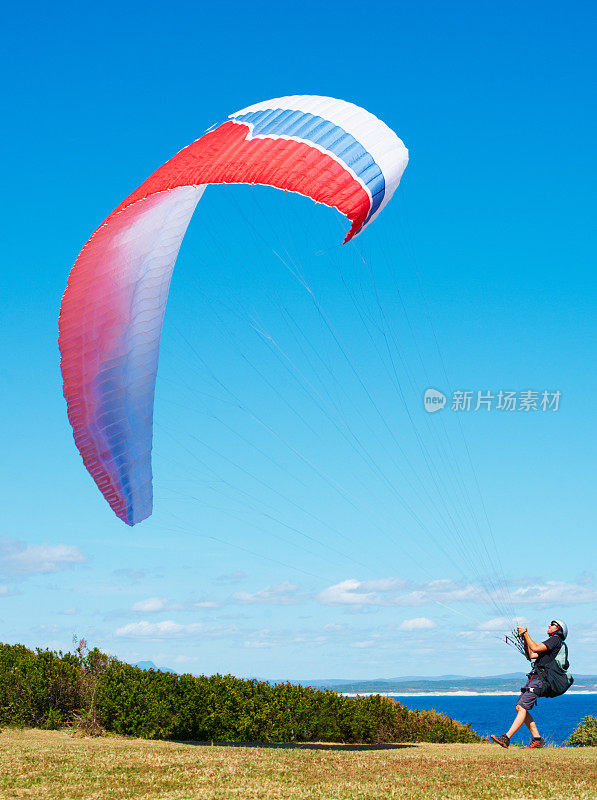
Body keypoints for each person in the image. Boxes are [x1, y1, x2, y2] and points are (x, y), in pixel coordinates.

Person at [491, 619, 568, 748]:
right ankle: (537, 740)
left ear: (559, 630)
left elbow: (536, 647)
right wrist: (524, 640)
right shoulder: (552, 642)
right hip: (536, 677)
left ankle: (506, 738)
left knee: (522, 707)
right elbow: (531, 655)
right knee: (520, 707)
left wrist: (526, 634)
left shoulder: (555, 640)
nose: (549, 626)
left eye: (553, 625)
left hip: (540, 679)